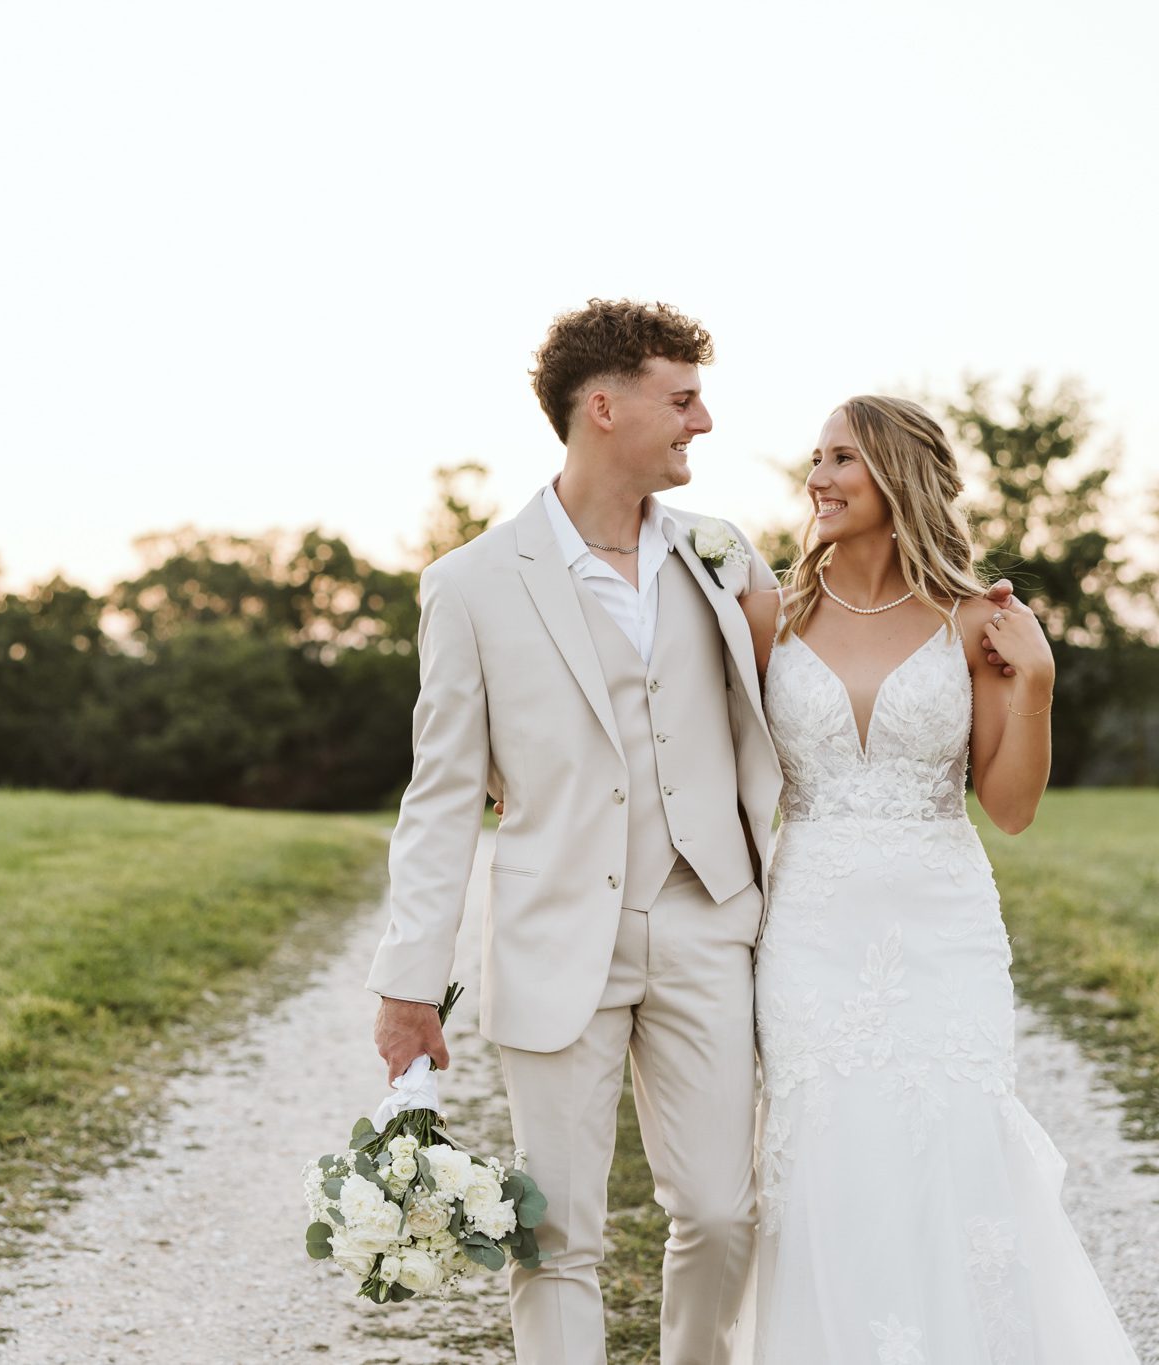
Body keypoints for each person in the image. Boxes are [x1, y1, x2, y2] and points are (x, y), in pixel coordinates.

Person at [366, 299, 1018, 1364]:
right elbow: (438, 797)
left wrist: (967, 625)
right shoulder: (470, 585)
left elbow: (845, 638)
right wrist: (408, 986)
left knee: (722, 1214)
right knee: (554, 1234)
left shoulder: (724, 559)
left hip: (707, 923)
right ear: (604, 408)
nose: (702, 422)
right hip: (552, 932)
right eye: (681, 400)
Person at [739, 396, 1138, 1361]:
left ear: (898, 475)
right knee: (824, 1155)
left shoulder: (979, 621)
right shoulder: (768, 615)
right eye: (817, 458)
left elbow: (1010, 806)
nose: (818, 478)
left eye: (842, 458)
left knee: (953, 1146)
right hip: (811, 932)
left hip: (943, 930)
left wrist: (1037, 685)